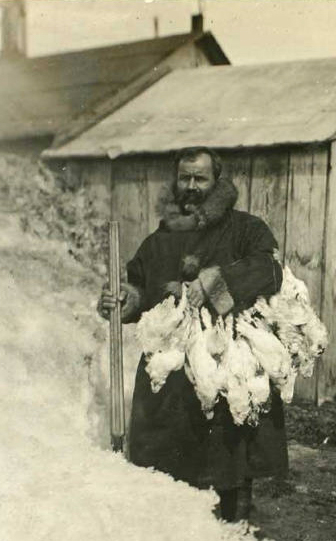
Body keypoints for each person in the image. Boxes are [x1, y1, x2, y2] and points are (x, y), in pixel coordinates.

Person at [97, 147, 287, 523]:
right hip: (171, 378)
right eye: (184, 178)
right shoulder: (160, 240)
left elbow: (268, 270)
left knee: (227, 467)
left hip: (225, 366)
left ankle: (233, 525)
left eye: (200, 178)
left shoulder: (245, 229)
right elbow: (140, 285)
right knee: (167, 469)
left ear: (218, 182)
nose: (191, 186)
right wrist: (124, 298)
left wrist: (215, 284)